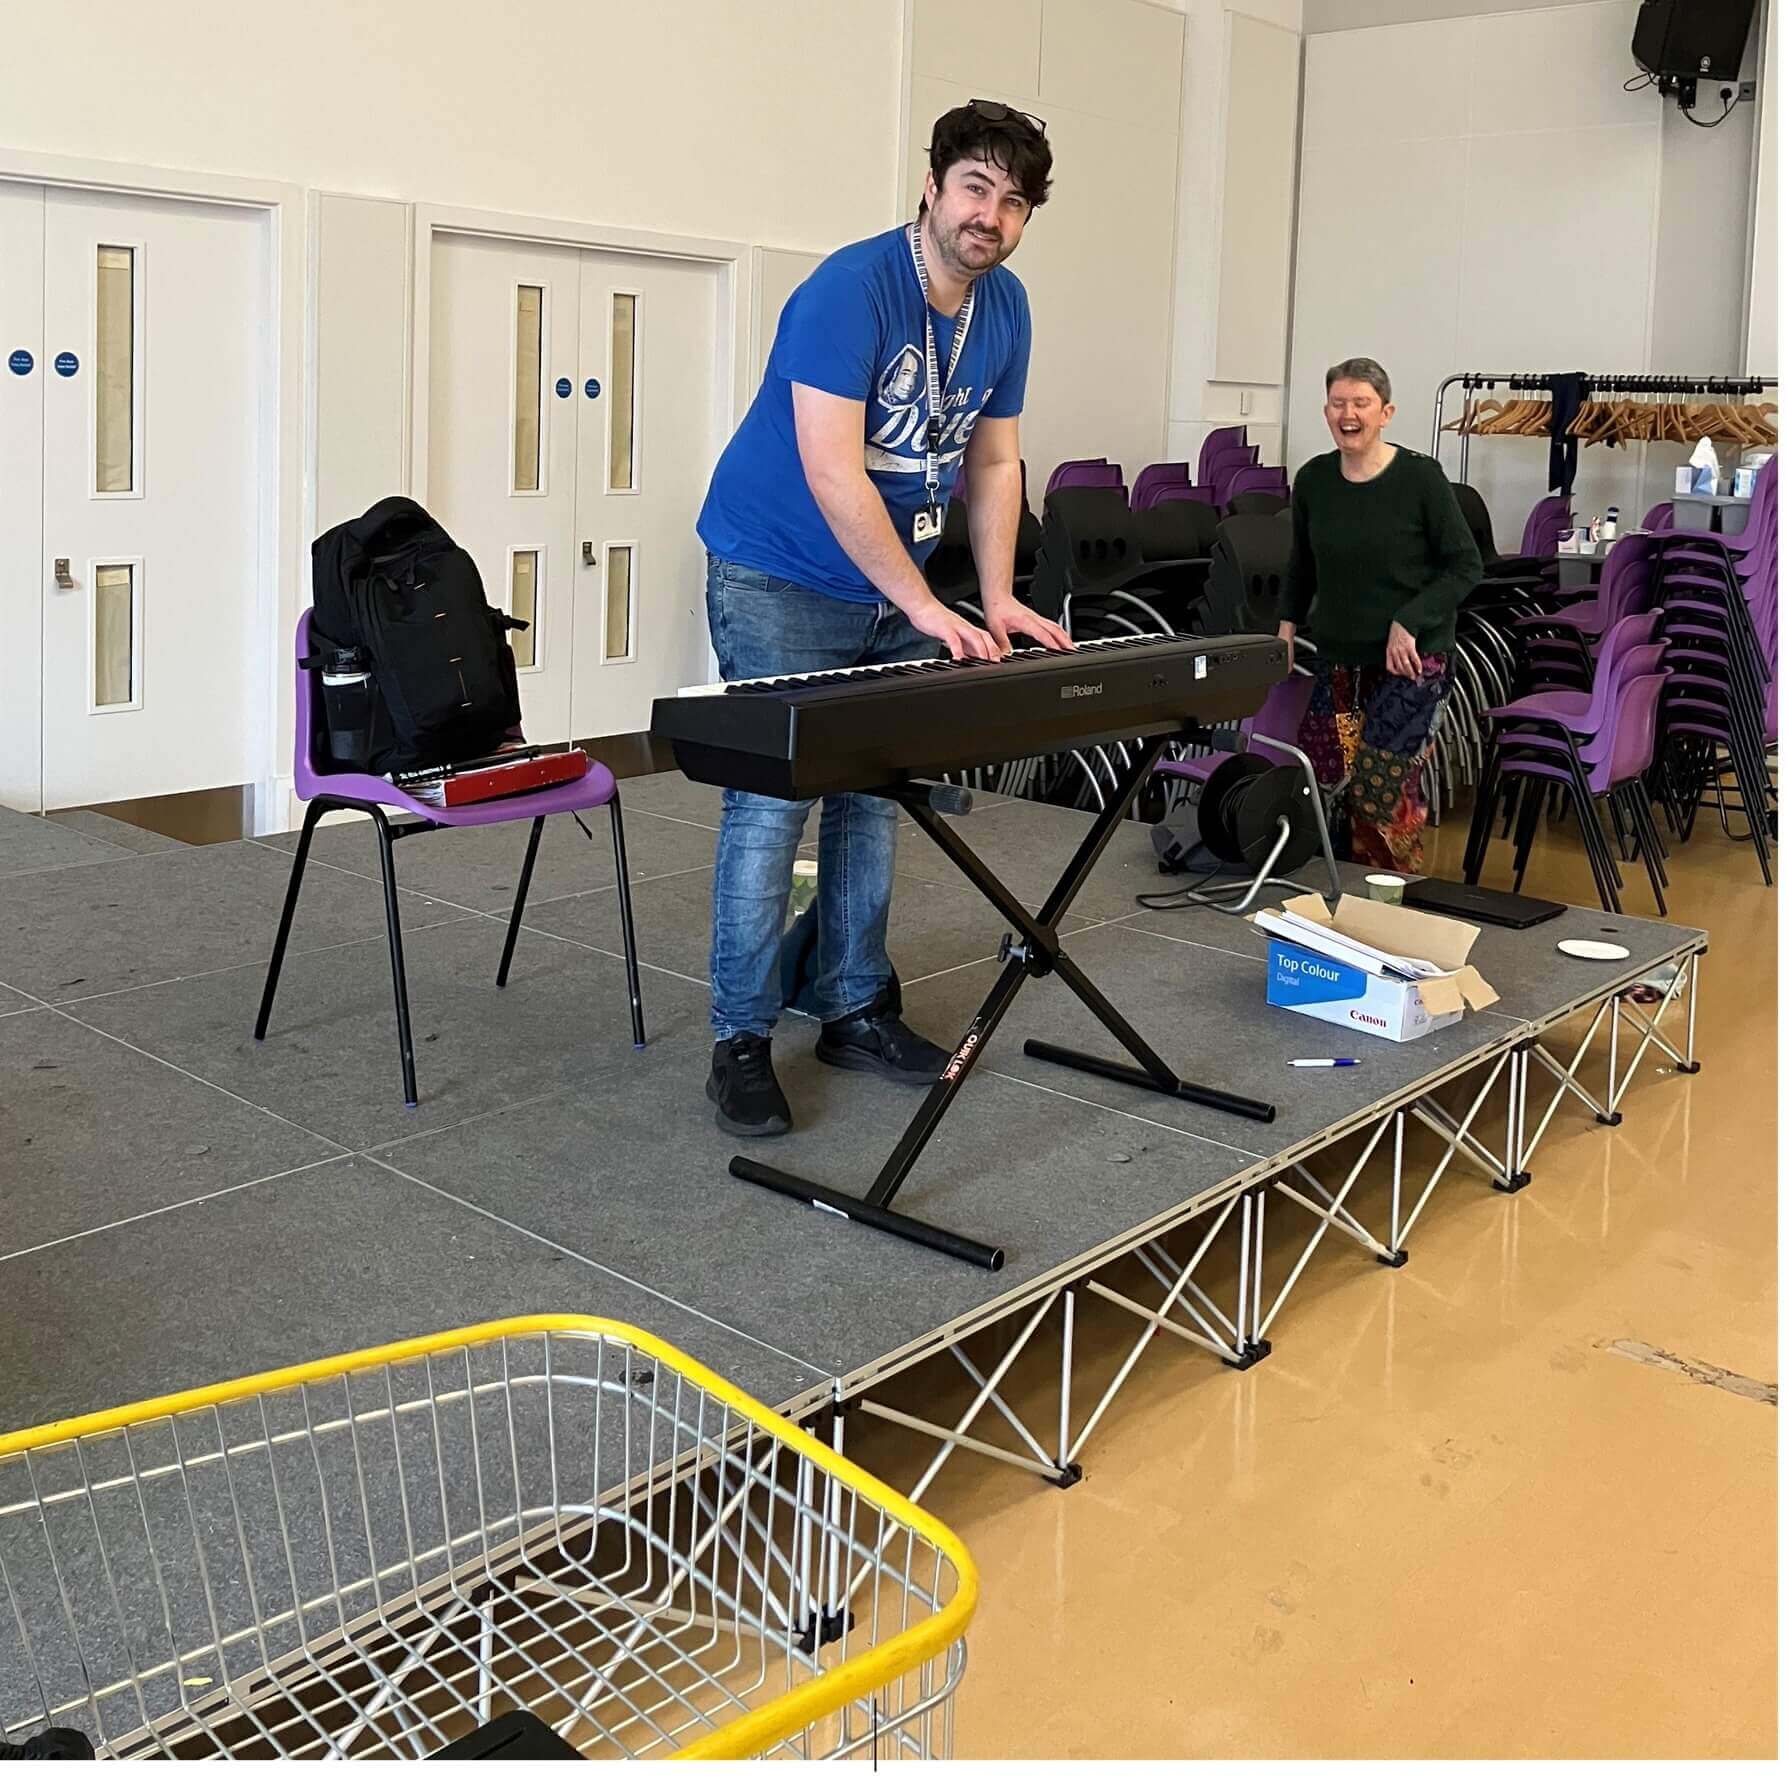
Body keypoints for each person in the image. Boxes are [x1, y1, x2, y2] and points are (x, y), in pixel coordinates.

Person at [693, 102, 1073, 1138]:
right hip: (777, 573)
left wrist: (996, 593)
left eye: (1014, 201)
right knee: (769, 808)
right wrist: (922, 601)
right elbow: (831, 469)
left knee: (874, 800)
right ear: (932, 186)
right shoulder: (848, 290)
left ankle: (853, 1009)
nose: (990, 216)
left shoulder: (1005, 309)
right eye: (975, 188)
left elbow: (995, 459)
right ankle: (739, 1039)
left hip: (895, 580)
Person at [1276, 357, 1482, 872]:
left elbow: (1465, 565)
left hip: (1411, 662)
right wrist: (1285, 628)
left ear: (1385, 413)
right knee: (1322, 778)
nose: (1349, 414)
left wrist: (1409, 619)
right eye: (1338, 403)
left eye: (1361, 403)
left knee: (1379, 788)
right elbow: (1302, 564)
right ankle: (1333, 891)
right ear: (1326, 411)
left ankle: (1387, 895)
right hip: (1340, 656)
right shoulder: (1314, 480)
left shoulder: (1420, 478)